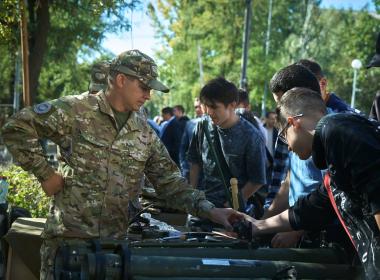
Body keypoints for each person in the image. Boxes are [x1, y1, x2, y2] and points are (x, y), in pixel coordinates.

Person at [1, 50, 243, 279]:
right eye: (144, 87)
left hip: (111, 253)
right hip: (67, 244)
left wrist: (212, 210)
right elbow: (16, 128)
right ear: (120, 80)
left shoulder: (143, 132)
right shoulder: (76, 111)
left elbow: (170, 183)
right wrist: (45, 174)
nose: (149, 95)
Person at [244, 87, 380, 279]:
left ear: (293, 123)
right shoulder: (335, 148)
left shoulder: (335, 130)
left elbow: (377, 193)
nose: (289, 148)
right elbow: (313, 207)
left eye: (284, 137)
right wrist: (256, 227)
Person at [188, 77, 267, 213]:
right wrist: (192, 198)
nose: (208, 112)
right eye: (206, 105)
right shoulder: (202, 126)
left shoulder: (251, 136)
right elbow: (195, 163)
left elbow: (258, 179)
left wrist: (234, 202)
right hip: (202, 210)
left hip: (232, 215)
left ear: (232, 105)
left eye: (214, 107)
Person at [179, 98, 204, 180]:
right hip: (194, 171)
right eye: (196, 107)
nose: (198, 109)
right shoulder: (190, 124)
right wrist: (184, 166)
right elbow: (183, 148)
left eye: (200, 106)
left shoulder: (216, 123)